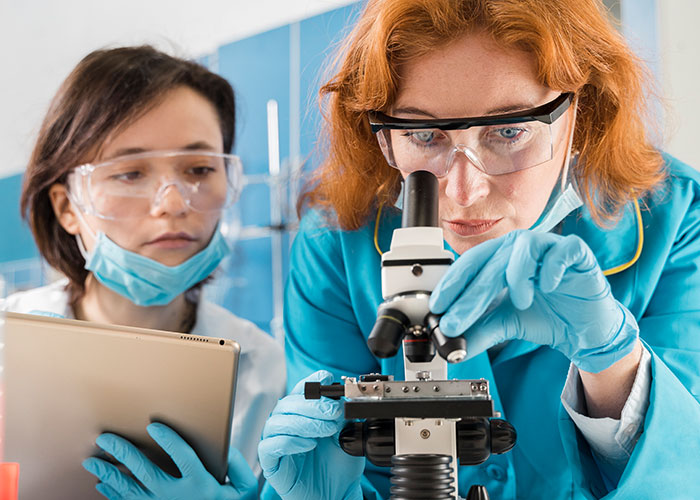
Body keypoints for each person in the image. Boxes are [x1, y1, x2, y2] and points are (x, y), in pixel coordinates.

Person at [257, 0, 700, 498]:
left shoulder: (679, 215)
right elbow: (333, 449)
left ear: (581, 110)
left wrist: (614, 366)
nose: (465, 192)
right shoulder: (336, 237)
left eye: (509, 131)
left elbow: (687, 476)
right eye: (423, 134)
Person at [1, 45, 285, 499]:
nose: (172, 203)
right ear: (66, 206)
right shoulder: (3, 345)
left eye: (198, 168)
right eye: (130, 173)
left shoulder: (260, 367)